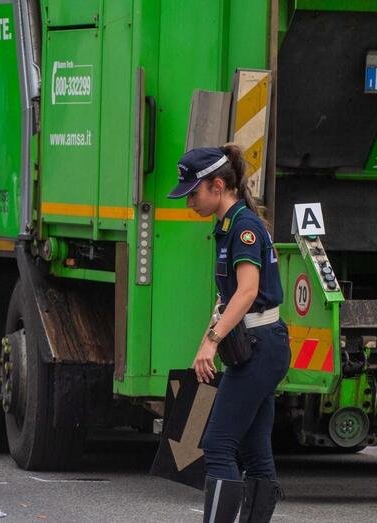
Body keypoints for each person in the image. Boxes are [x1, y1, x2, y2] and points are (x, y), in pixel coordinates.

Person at [167, 145, 288, 522]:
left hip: (258, 346)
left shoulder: (244, 227)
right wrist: (206, 341)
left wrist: (213, 340)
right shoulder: (229, 225)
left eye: (193, 193)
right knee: (255, 452)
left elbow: (248, 291)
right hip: (255, 347)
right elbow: (226, 298)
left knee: (218, 446)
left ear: (218, 186)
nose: (189, 202)